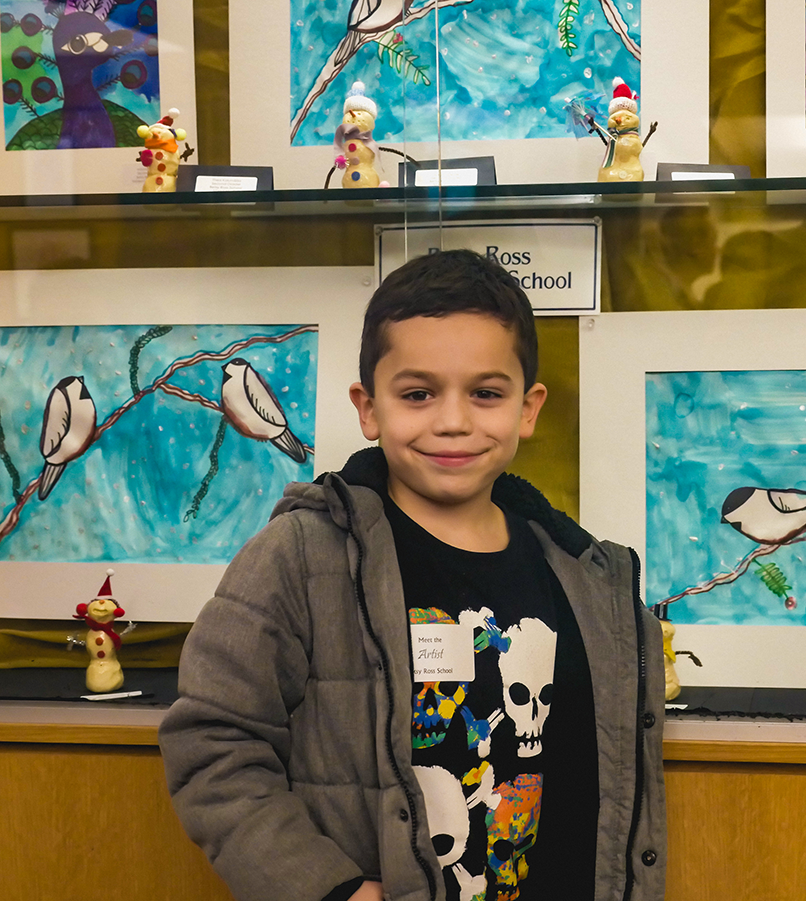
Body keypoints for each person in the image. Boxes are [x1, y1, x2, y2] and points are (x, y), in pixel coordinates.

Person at [159, 249, 667, 901]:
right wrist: (328, 887)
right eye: (418, 393)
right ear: (369, 408)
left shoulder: (586, 577)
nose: (453, 420)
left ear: (528, 408)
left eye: (486, 393)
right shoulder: (302, 555)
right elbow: (212, 740)